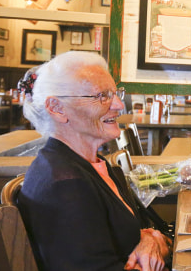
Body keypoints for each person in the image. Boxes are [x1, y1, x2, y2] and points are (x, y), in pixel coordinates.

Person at [16, 51, 171, 271]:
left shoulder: (92, 164)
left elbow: (120, 232)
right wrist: (157, 248)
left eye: (115, 93)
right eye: (102, 95)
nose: (118, 105)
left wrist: (147, 239)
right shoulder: (64, 184)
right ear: (57, 109)